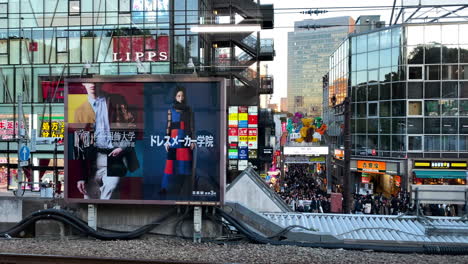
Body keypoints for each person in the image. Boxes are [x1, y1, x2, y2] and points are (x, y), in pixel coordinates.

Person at [74, 82, 139, 199]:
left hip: (114, 156)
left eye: (95, 81)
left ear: (101, 82)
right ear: (83, 84)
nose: (92, 84)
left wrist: (122, 147)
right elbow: (78, 145)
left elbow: (132, 126)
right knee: (90, 201)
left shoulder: (117, 100)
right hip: (91, 160)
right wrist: (80, 176)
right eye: (88, 81)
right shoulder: (80, 110)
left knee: (110, 194)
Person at [160, 87, 195, 196]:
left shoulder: (189, 110)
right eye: (179, 96)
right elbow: (168, 126)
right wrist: (166, 141)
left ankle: (185, 188)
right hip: (173, 140)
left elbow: (192, 126)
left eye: (182, 96)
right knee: (169, 165)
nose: (181, 98)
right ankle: (164, 188)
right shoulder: (170, 110)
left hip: (184, 139)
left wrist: (192, 140)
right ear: (175, 97)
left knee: (184, 165)